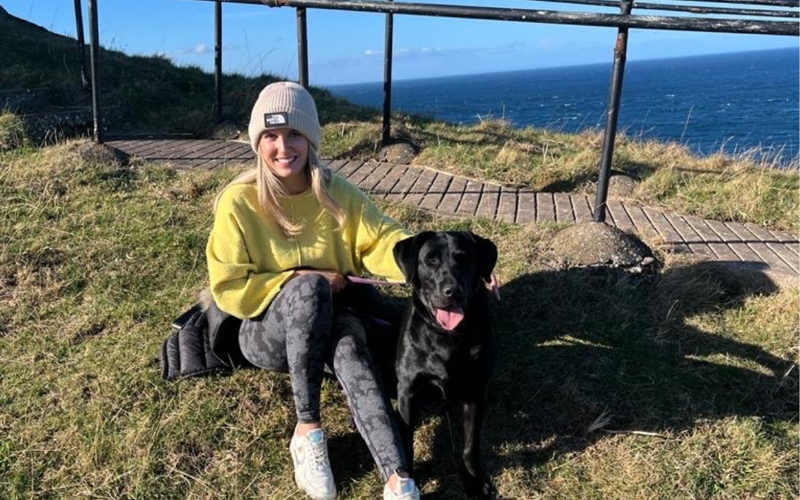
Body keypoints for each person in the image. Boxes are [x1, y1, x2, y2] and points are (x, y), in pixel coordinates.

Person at [206, 81, 420, 500]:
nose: (282, 147)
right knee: (306, 290)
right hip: (266, 333)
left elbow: (382, 240)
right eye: (270, 136)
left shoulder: (338, 194)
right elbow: (229, 287)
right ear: (257, 142)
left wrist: (438, 266)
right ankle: (308, 431)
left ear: (310, 139)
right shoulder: (238, 201)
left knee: (350, 351)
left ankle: (398, 480)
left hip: (333, 318)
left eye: (294, 134)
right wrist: (301, 278)